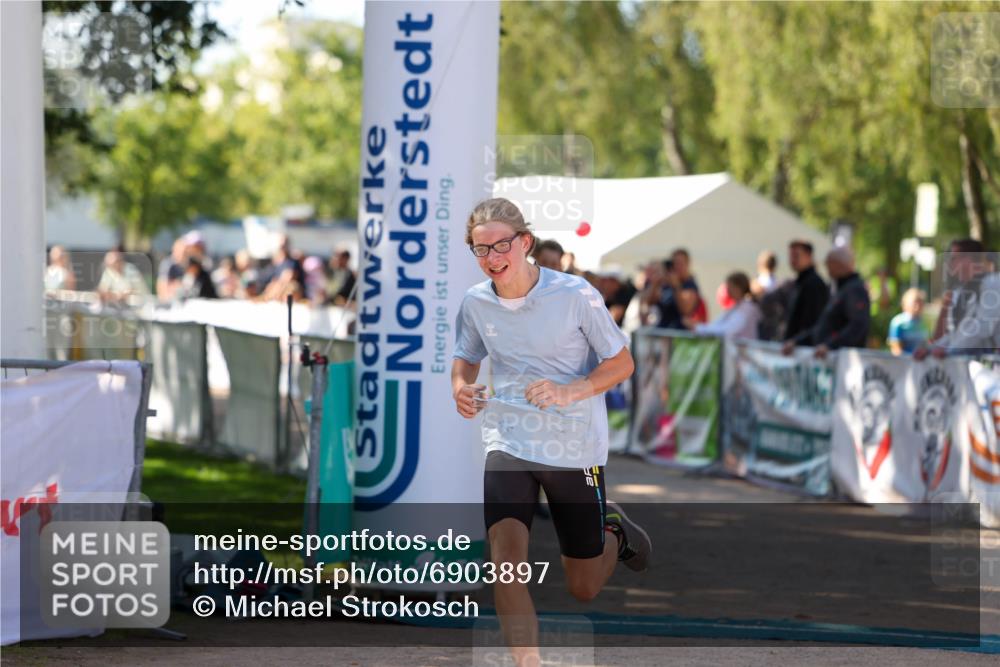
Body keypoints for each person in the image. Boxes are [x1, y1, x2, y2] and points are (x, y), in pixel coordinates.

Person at [451, 197, 651, 667]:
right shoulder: (477, 302)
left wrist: (570, 391)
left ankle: (613, 530)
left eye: (501, 246)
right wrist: (461, 388)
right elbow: (466, 358)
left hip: (574, 445)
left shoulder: (575, 294)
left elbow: (621, 363)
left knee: (583, 586)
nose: (492, 258)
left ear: (524, 243)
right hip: (508, 439)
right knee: (505, 562)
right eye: (481, 250)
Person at [915, 241, 999, 359]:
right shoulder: (958, 292)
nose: (950, 263)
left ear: (969, 259)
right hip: (967, 365)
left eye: (954, 258)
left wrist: (949, 350)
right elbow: (955, 334)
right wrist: (930, 349)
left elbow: (983, 328)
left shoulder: (993, 283)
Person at [782, 247, 870, 358]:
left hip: (843, 363)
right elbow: (823, 326)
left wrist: (830, 346)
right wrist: (797, 342)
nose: (827, 268)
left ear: (838, 264)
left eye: (828, 264)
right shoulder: (841, 289)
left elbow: (858, 325)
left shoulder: (854, 290)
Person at [783, 240, 829, 341]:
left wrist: (798, 340)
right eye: (791, 256)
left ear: (808, 256)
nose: (792, 260)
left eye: (796, 256)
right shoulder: (799, 282)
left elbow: (815, 321)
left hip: (804, 347)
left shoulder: (814, 284)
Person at [696, 272, 761, 340]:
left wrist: (699, 328)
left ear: (737, 288)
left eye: (730, 287)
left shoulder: (748, 308)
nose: (728, 291)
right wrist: (699, 327)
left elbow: (728, 329)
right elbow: (719, 323)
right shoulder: (737, 306)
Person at [887, 288, 929, 356]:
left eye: (920, 303)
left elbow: (926, 345)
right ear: (905, 304)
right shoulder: (898, 322)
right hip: (904, 362)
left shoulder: (923, 323)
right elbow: (896, 349)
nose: (917, 307)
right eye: (915, 303)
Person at [671, 248, 706, 326]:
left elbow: (686, 310)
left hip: (680, 334)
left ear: (687, 264)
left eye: (680, 263)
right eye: (674, 263)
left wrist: (676, 287)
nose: (677, 267)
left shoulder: (690, 285)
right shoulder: (668, 283)